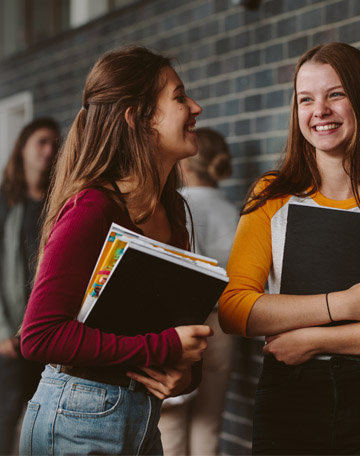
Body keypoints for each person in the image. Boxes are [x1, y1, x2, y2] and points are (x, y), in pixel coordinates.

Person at [219, 42, 360, 455]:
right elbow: (234, 308)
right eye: (306, 99)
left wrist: (316, 339)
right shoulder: (272, 195)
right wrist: (343, 305)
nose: (320, 110)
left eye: (335, 94)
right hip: (289, 398)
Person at [19, 45, 213, 456]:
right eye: (179, 97)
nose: (195, 107)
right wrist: (166, 348)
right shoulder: (92, 207)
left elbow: (161, 328)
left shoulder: (173, 212)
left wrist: (185, 376)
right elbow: (39, 336)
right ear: (138, 119)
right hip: (76, 419)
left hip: (141, 418)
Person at [159, 128, 239, 455]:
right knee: (209, 425)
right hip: (226, 327)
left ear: (186, 164)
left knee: (171, 428)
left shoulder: (177, 206)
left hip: (188, 327)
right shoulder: (234, 210)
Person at [0, 117, 60, 455]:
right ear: (23, 146)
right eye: (41, 141)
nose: (49, 150)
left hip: (47, 331)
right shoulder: (4, 202)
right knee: (6, 418)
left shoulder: (59, 201)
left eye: (54, 143)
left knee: (44, 421)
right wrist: (2, 329)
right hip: (10, 336)